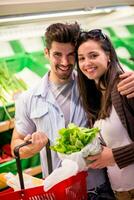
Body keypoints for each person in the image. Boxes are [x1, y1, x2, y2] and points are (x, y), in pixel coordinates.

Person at [11, 23, 134, 200]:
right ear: (46, 53)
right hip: (58, 191)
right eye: (57, 55)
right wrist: (30, 148)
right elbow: (16, 142)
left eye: (71, 55)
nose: (65, 62)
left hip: (99, 188)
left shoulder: (93, 84)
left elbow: (111, 69)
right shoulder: (28, 98)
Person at [76, 28, 134, 200]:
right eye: (81, 58)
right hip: (120, 192)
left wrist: (115, 156)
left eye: (93, 55)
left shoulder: (125, 87)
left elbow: (113, 155)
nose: (87, 63)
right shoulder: (96, 95)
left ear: (108, 56)